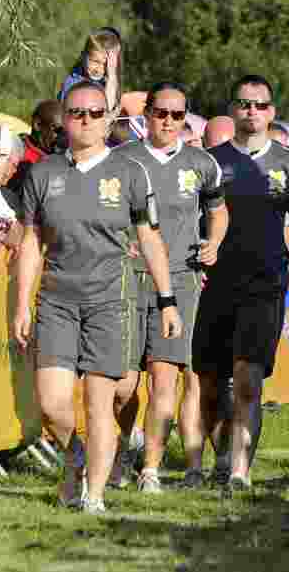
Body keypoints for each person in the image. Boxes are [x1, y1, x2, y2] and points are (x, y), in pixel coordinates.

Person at [10, 81, 183, 514]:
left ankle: (95, 495)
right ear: (64, 119)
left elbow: (150, 238)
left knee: (98, 400)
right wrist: (20, 305)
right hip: (56, 300)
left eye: (93, 113)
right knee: (51, 405)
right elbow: (31, 242)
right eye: (75, 113)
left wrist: (167, 299)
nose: (84, 120)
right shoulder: (43, 173)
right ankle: (75, 453)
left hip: (111, 299)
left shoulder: (129, 173)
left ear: (108, 120)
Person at [192, 75, 289, 491]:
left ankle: (239, 473)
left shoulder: (288, 164)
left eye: (261, 105)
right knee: (210, 387)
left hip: (265, 285)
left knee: (248, 380)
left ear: (271, 112)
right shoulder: (210, 162)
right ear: (233, 109)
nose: (252, 111)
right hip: (213, 287)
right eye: (244, 104)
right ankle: (223, 456)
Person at [116, 82, 229, 492]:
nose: (168, 121)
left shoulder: (201, 164)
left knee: (164, 379)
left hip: (180, 282)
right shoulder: (121, 159)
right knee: (124, 384)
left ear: (186, 119)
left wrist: (213, 244)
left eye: (177, 115)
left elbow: (219, 213)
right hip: (128, 279)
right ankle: (120, 451)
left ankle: (150, 469)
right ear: (146, 114)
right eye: (160, 113)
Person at [58, 28, 123, 114]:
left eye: (106, 65)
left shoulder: (106, 79)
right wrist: (111, 79)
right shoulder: (74, 85)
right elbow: (105, 112)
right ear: (83, 56)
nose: (99, 69)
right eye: (95, 61)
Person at [7, 100, 63, 195]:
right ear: (37, 124)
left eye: (66, 133)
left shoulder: (63, 157)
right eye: (57, 130)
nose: (61, 138)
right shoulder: (16, 152)